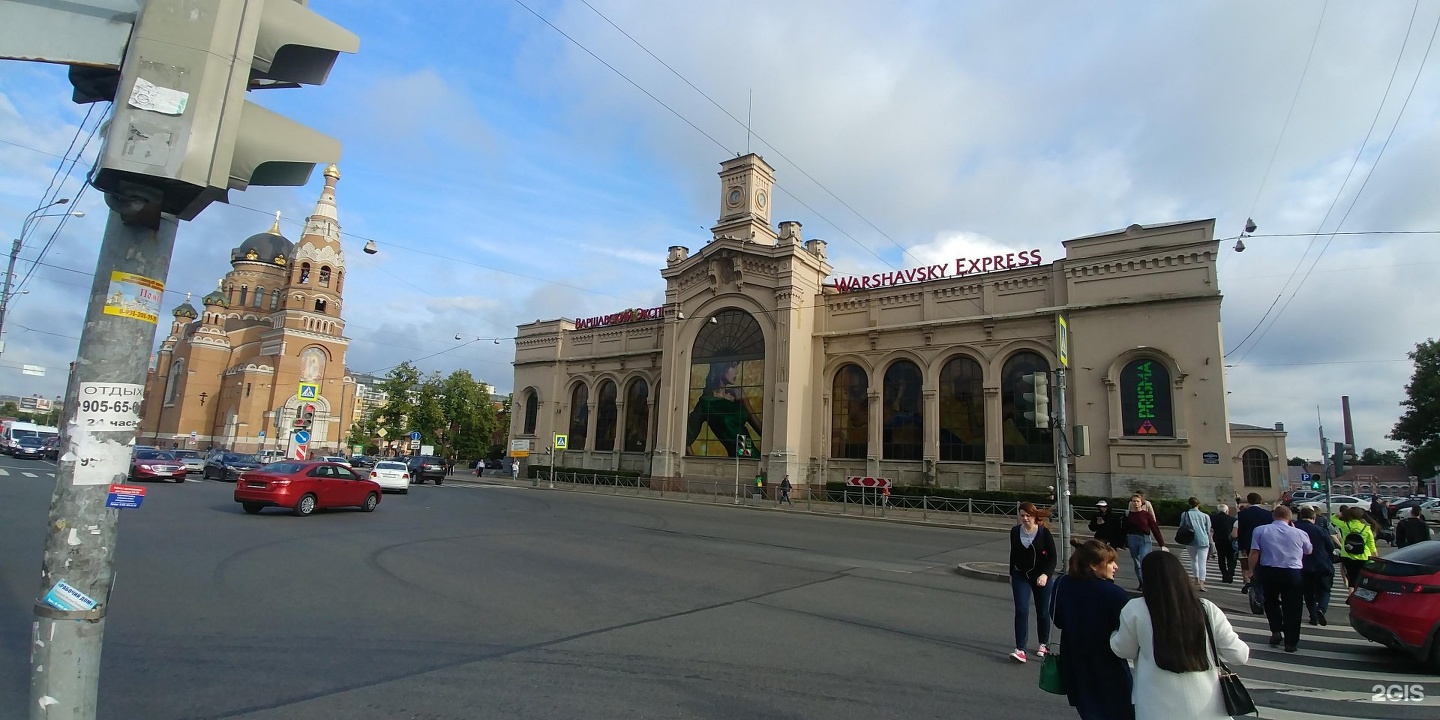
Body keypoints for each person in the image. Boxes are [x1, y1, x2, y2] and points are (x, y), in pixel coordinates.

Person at [1110, 552, 1250, 720]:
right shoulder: (1206, 609)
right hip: (1208, 707)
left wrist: (1113, 635)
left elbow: (1124, 650)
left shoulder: (1135, 609)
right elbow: (1239, 655)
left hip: (1155, 707)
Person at [1053, 540, 1135, 720]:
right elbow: (1126, 634)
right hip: (1108, 669)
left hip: (1074, 664)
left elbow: (1057, 620)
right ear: (1093, 566)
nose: (1116, 567)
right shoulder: (1115, 594)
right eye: (1110, 562)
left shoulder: (1062, 583)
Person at [1250, 505, 1312, 652]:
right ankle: (1291, 642)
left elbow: (1254, 552)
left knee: (1271, 602)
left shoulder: (1260, 530)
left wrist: (1251, 571)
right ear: (1290, 518)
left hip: (1269, 571)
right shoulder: (1300, 533)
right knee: (1293, 606)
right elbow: (1309, 550)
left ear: (1273, 516)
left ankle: (1276, 630)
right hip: (1293, 572)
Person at [1008, 502, 1057, 663]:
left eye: (1028, 515)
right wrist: (1011, 573)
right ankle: (1020, 649)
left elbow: (1052, 558)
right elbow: (1013, 554)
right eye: (1022, 515)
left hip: (1041, 577)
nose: (1025, 518)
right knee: (1021, 610)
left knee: (1042, 611)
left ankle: (1044, 643)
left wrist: (1045, 574)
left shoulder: (1044, 532)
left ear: (1035, 516)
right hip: (1021, 575)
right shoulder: (1015, 532)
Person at [685, 361, 763, 457]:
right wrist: (694, 462)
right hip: (735, 462)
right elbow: (686, 438)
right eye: (733, 366)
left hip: (752, 456)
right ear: (722, 368)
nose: (737, 372)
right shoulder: (706, 403)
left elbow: (760, 429)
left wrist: (744, 400)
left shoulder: (737, 395)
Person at [1295, 506, 1337, 626]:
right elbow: (1331, 547)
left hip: (1302, 566)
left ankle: (1313, 616)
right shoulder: (1320, 530)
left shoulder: (1294, 528)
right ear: (1314, 518)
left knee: (1308, 593)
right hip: (1322, 565)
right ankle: (1321, 609)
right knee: (1325, 590)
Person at [1121, 493, 1166, 589]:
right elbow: (1123, 530)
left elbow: (1155, 529)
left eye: (1138, 501)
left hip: (1144, 539)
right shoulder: (1128, 514)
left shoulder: (1146, 515)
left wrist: (1161, 543)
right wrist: (1123, 542)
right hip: (1132, 539)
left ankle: (1148, 583)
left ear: (1142, 503)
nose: (1135, 503)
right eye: (1133, 501)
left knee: (1144, 561)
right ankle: (1142, 582)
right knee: (1137, 564)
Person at [1333, 505, 1378, 590]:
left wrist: (1339, 515)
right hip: (1364, 556)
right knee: (1361, 578)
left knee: (1351, 578)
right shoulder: (1366, 528)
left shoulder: (1345, 525)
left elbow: (1333, 519)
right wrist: (1375, 556)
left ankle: (1350, 595)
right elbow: (1371, 545)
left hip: (1347, 555)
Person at [1236, 493, 1271, 595]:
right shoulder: (1267, 514)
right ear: (1260, 500)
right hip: (1265, 543)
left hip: (1249, 543)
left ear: (1248, 500)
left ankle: (1256, 586)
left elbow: (1241, 531)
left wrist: (1241, 546)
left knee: (1253, 565)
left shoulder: (1243, 514)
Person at [1209, 503, 1238, 584]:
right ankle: (1230, 573)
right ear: (1226, 511)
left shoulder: (1213, 518)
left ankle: (1224, 575)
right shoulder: (1232, 519)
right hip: (1229, 541)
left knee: (1221, 558)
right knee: (1231, 559)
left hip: (1218, 540)